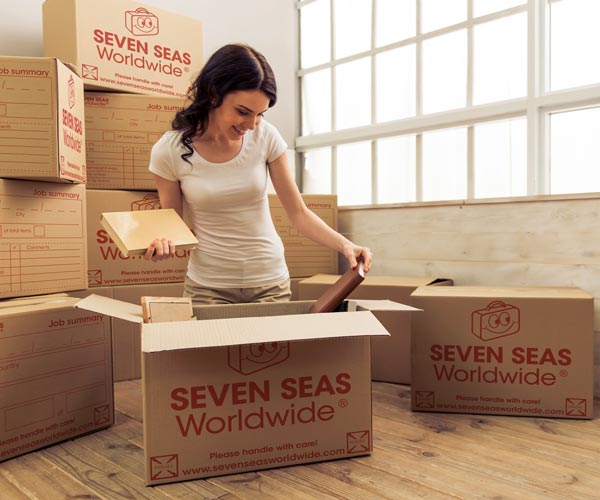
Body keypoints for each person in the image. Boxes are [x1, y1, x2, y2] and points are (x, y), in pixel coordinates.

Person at [145, 43, 372, 304]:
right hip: (208, 287)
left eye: (260, 114)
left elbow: (298, 213)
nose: (251, 124)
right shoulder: (169, 150)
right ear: (213, 94)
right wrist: (160, 245)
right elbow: (174, 225)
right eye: (243, 112)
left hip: (270, 283)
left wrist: (346, 246)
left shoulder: (265, 137)